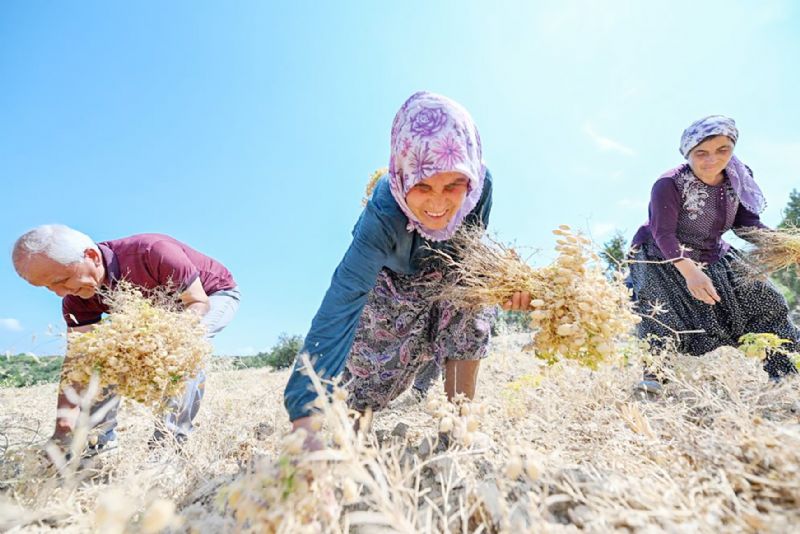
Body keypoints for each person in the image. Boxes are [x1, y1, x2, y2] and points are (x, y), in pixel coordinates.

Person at [284, 91, 529, 444]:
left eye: (452, 185)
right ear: (401, 174)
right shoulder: (382, 214)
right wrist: (305, 417)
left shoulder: (480, 187)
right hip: (391, 284)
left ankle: (458, 432)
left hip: (447, 270)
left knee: (472, 303)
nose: (437, 203)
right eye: (422, 185)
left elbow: (471, 259)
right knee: (372, 369)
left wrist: (502, 287)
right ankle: (348, 439)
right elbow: (341, 304)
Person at [12, 225, 240, 450]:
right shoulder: (76, 298)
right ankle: (98, 443)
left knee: (183, 350)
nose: (61, 293)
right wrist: (63, 425)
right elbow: (77, 361)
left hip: (210, 294)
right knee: (100, 358)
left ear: (91, 256)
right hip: (156, 313)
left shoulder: (153, 251)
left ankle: (169, 446)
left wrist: (162, 340)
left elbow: (197, 302)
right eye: (49, 288)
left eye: (62, 280)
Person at [629, 115, 798, 392]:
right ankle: (654, 379)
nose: (713, 160)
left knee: (766, 299)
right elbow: (664, 234)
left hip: (713, 252)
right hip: (661, 255)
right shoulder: (669, 183)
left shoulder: (738, 177)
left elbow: (746, 224)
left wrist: (783, 246)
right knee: (660, 311)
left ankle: (786, 372)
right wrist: (691, 273)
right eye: (701, 153)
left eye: (723, 150)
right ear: (688, 153)